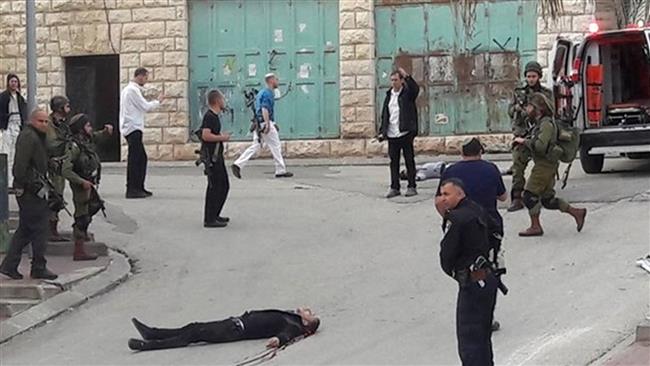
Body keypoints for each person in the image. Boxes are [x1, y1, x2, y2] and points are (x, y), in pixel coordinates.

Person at [438, 178, 498, 365]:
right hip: (488, 279)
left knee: (469, 340)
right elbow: (496, 231)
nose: (442, 199)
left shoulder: (456, 219)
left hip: (472, 282)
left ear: (460, 194)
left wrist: (458, 274)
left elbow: (447, 256)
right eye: (441, 194)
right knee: (482, 337)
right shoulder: (476, 209)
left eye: (446, 194)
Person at [514, 93, 587, 236]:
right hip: (547, 164)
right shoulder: (540, 123)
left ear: (538, 109)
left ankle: (535, 227)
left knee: (529, 195)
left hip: (545, 165)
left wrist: (524, 142)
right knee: (548, 200)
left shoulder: (546, 124)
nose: (527, 110)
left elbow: (540, 146)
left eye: (530, 107)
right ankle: (577, 213)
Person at [0, 110, 57, 280]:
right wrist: (25, 186)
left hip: (34, 189)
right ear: (32, 121)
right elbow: (20, 167)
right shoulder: (28, 137)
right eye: (41, 121)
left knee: (25, 230)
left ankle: (10, 265)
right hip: (30, 191)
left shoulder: (39, 137)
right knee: (39, 228)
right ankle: (38, 266)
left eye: (47, 121)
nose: (44, 125)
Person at [127, 307, 320, 351]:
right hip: (235, 322)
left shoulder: (293, 326)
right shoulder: (292, 317)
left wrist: (278, 341)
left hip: (235, 330)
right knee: (193, 328)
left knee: (194, 335)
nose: (306, 310)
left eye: (309, 314)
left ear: (306, 323)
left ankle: (149, 345)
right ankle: (153, 332)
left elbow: (286, 335)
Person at [60, 114, 112, 261]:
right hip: (81, 185)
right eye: (87, 126)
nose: (90, 128)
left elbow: (96, 136)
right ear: (81, 129)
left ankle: (81, 240)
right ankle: (79, 250)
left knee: (92, 208)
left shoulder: (85, 141)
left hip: (89, 182)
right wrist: (80, 181)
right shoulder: (74, 146)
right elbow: (65, 169)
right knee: (82, 216)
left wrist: (106, 132)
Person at [507, 61, 553, 212]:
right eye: (528, 76)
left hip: (539, 133)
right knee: (517, 165)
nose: (531, 79)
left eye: (533, 76)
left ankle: (544, 193)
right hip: (522, 133)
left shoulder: (546, 93)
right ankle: (516, 197)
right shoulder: (518, 92)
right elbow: (510, 111)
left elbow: (552, 111)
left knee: (545, 164)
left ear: (539, 76)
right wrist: (518, 109)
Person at [435, 137, 507, 230]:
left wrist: (450, 218)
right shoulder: (491, 168)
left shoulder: (450, 171)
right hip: (489, 224)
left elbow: (439, 202)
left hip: (461, 224)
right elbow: (503, 197)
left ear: (461, 153)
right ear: (480, 152)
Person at [231, 73, 293, 179]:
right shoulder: (268, 93)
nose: (278, 81)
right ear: (271, 80)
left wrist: (272, 123)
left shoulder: (261, 93)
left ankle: (238, 164)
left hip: (258, 123)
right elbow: (264, 109)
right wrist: (268, 124)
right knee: (276, 145)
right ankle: (280, 170)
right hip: (264, 123)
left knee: (256, 145)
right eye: (276, 79)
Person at [119, 67, 163, 199]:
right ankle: (132, 188)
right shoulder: (132, 91)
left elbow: (142, 95)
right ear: (139, 76)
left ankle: (139, 187)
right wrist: (158, 101)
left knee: (140, 158)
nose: (146, 80)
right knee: (136, 159)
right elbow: (145, 106)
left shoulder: (130, 89)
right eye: (145, 77)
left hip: (132, 127)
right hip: (133, 128)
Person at [378, 67, 420, 198]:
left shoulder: (407, 94)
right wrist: (382, 131)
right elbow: (385, 115)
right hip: (392, 134)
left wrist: (407, 76)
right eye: (391, 80)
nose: (393, 83)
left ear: (401, 81)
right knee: (393, 162)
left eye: (396, 80)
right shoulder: (389, 95)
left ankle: (412, 186)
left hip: (405, 132)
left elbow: (415, 89)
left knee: (409, 160)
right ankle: (394, 187)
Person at [200, 90, 231, 228]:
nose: (224, 101)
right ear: (217, 101)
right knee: (215, 187)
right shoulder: (209, 116)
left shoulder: (215, 116)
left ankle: (215, 214)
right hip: (212, 157)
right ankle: (209, 219)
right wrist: (221, 137)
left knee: (223, 185)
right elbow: (205, 135)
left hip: (217, 156)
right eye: (222, 99)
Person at [46, 96, 72, 242]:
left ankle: (53, 228)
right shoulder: (49, 125)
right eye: (66, 106)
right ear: (59, 108)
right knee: (54, 197)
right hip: (52, 165)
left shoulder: (61, 124)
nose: (68, 109)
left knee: (59, 195)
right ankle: (51, 230)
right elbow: (51, 144)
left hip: (61, 166)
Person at [0, 73, 27, 185]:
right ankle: (6, 180)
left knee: (16, 154)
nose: (14, 84)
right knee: (6, 152)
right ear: (8, 83)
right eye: (12, 81)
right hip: (7, 127)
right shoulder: (3, 97)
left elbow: (23, 114)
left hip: (18, 127)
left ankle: (13, 180)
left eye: (16, 82)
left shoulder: (20, 98)